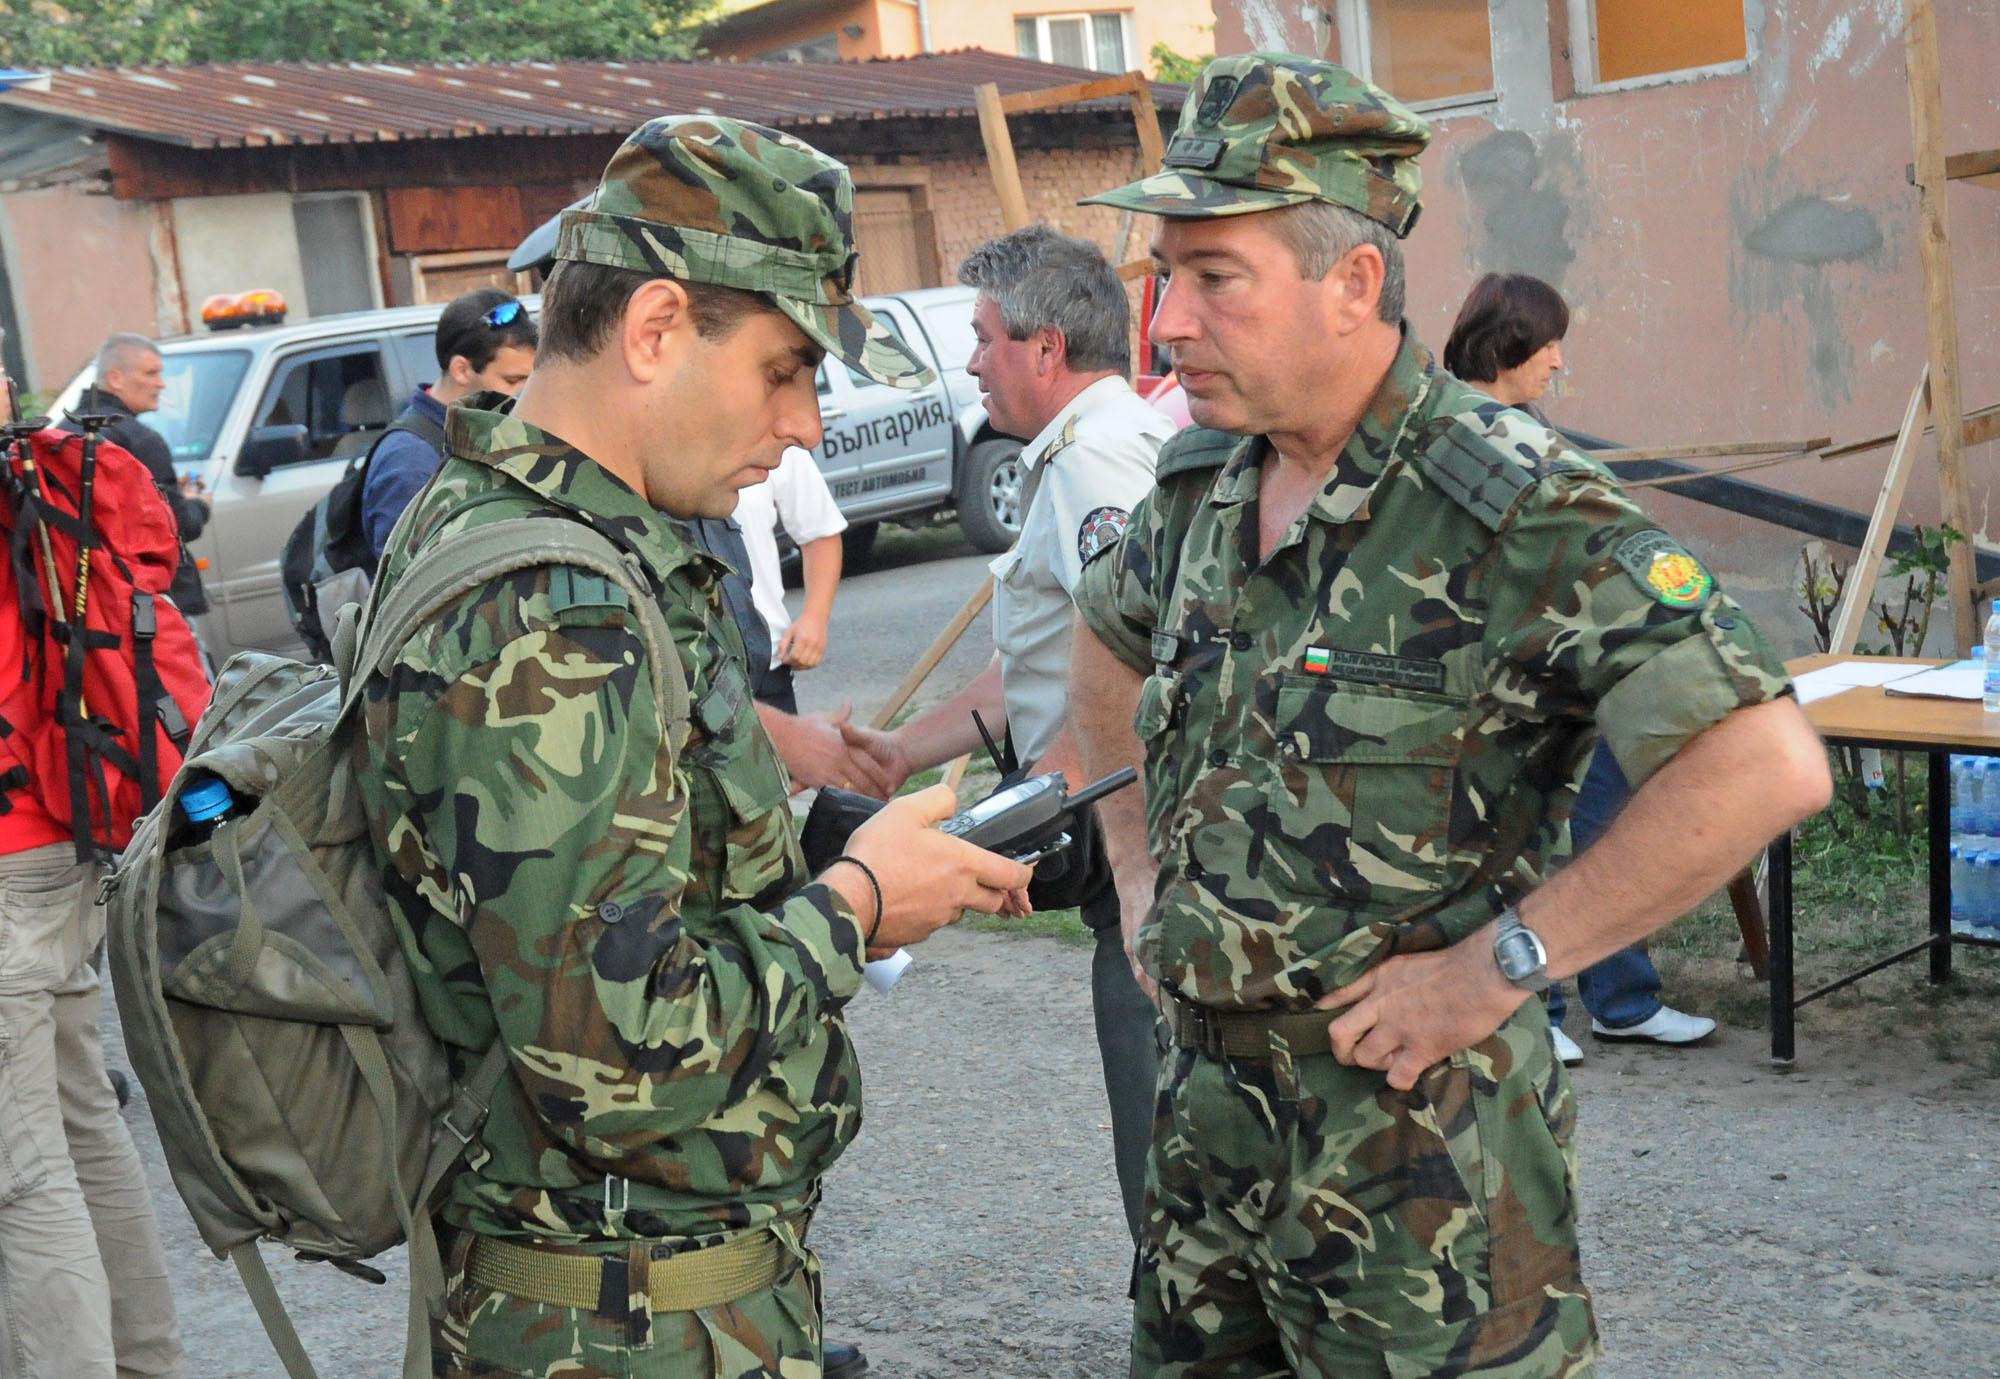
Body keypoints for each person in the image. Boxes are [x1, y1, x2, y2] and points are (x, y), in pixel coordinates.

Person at [1067, 54, 1831, 1377]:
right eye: (1161, 274)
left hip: (1421, 1169)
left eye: (1213, 278)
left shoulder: (1515, 503)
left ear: (1352, 281)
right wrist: (1135, 873)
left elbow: (1763, 763)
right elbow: (1105, 636)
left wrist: (1504, 965)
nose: (1166, 324)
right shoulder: (1202, 482)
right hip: (1205, 1138)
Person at [353, 115, 1033, 1379]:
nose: (806, 425)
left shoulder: (547, 537)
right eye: (784, 367)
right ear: (655, 328)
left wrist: (845, 852)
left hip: (632, 1297)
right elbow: (620, 1055)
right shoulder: (555, 609)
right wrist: (860, 902)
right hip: (624, 1324)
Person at [858, 224, 1173, 1246]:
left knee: (1162, 1145)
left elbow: (1129, 661)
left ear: (1043, 349)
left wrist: (1032, 811)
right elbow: (1035, 665)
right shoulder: (1074, 453)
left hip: (1140, 850)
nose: (970, 361)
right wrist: (902, 751)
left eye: (983, 337)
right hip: (1117, 835)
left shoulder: (1096, 462)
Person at [1444, 271, 1717, 1065]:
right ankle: (1541, 1006)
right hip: (1506, 684)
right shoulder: (1458, 430)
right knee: (1529, 840)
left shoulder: (1522, 423)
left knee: (1606, 824)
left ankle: (1620, 999)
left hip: (1573, 672)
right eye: (1551, 342)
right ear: (1510, 343)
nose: (1560, 361)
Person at [0, 357, 187, 1379]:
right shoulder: (33, 481)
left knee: (21, 1173)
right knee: (80, 1129)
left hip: (5, 878)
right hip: (60, 845)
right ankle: (146, 1359)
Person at [360, 287, 537, 560]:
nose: (523, 393)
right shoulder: (410, 460)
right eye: (512, 381)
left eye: (530, 380)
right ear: (461, 370)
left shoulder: (477, 431)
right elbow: (406, 583)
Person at [69, 334, 211, 624]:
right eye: (151, 373)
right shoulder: (140, 441)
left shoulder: (62, 432)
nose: (161, 383)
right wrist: (198, 505)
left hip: (93, 600)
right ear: (116, 378)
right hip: (156, 601)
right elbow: (179, 525)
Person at [731, 445, 846, 715]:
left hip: (764, 664)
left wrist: (815, 619)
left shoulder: (770, 429)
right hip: (680, 672)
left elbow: (820, 532)